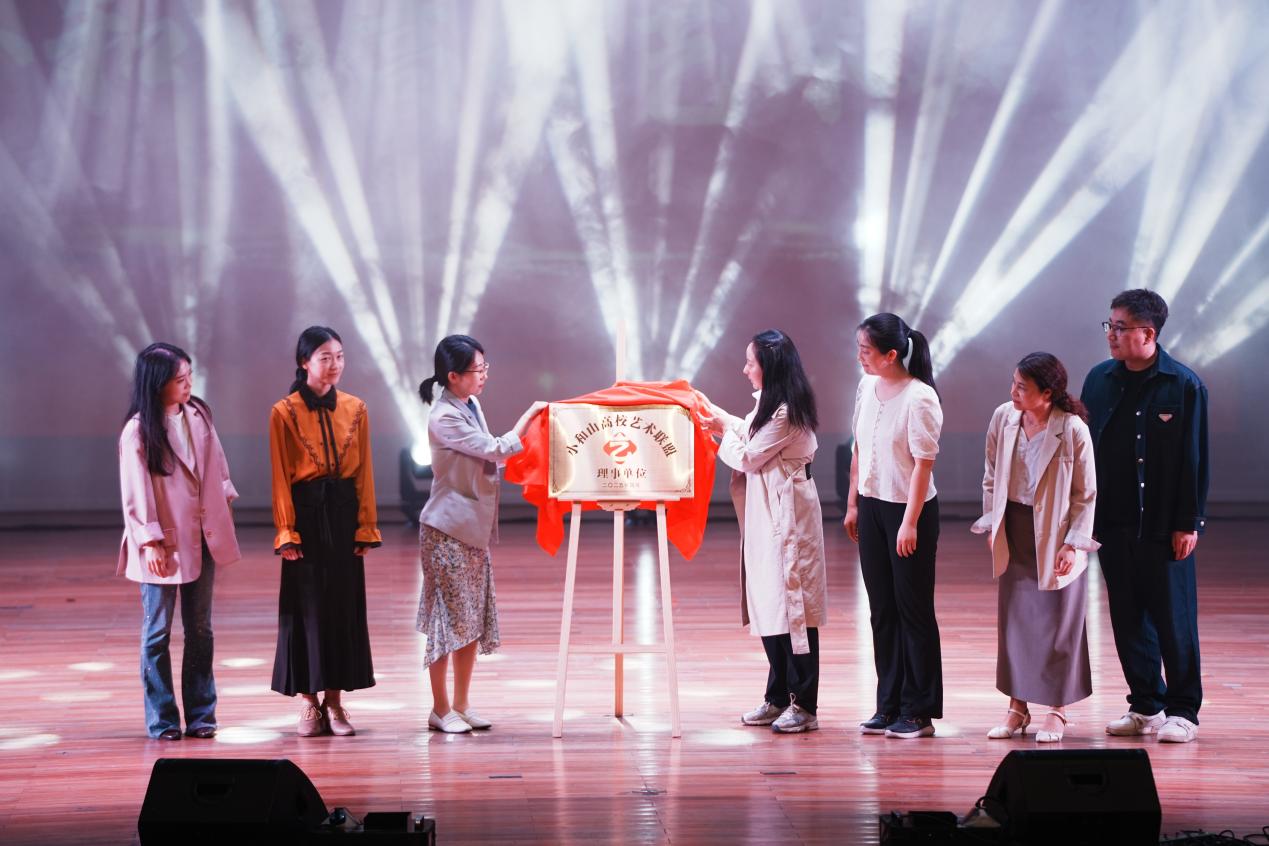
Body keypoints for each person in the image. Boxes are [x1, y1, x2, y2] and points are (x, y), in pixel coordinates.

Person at [1081, 289, 1209, 743]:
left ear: (1148, 334)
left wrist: (1188, 523)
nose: (1111, 335)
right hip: (1111, 522)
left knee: (1174, 618)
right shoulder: (1099, 380)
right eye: (1110, 326)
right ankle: (1146, 704)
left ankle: (1184, 710)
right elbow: (1085, 450)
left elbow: (1195, 460)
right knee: (1127, 615)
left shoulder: (1183, 384)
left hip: (1162, 523)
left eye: (1120, 328)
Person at [697, 329, 827, 734]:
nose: (745, 370)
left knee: (793, 608)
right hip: (767, 514)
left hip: (788, 518)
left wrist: (722, 430)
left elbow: (750, 456)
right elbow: (751, 434)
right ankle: (778, 696)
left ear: (769, 366)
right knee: (770, 602)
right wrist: (720, 419)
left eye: (750, 362)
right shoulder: (770, 406)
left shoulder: (788, 412)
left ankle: (804, 703)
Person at [416, 335, 545, 734]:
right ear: (453, 376)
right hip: (446, 530)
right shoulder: (444, 416)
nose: (484, 375)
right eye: (477, 369)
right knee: (446, 621)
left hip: (471, 531)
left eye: (485, 367)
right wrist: (529, 417)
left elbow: (492, 455)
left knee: (470, 618)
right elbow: (494, 449)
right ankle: (440, 709)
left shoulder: (470, 404)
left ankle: (461, 705)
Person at [972, 353, 1098, 743]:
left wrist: (1073, 545)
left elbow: (1085, 493)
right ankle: (1017, 707)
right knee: (1016, 622)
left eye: (1022, 387)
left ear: (1047, 393)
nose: (1013, 392)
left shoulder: (1072, 428)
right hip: (1014, 528)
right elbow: (991, 474)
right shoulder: (1003, 418)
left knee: (1060, 622)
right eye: (1013, 383)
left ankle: (1057, 710)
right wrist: (993, 522)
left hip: (1056, 534)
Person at [117, 342, 241, 741]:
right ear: (157, 384)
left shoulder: (198, 415)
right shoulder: (139, 430)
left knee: (200, 628)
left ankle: (202, 714)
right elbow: (135, 491)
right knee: (157, 632)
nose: (188, 384)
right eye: (179, 379)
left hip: (201, 535)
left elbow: (216, 463)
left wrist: (224, 499)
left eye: (189, 376)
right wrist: (150, 542)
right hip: (163, 543)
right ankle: (163, 719)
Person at [269, 326, 380, 737]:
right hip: (306, 517)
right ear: (305, 362)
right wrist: (287, 530)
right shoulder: (284, 412)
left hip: (344, 514)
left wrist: (365, 525)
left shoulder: (356, 408)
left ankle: (335, 701)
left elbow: (364, 472)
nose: (335, 365)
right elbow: (280, 477)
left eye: (339, 356)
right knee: (307, 607)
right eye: (325, 357)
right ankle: (307, 701)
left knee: (342, 607)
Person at [844, 313, 943, 739]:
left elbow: (923, 465)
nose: (860, 357)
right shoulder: (866, 387)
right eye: (859, 349)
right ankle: (888, 705)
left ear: (890, 355)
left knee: (913, 611)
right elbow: (859, 448)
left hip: (909, 511)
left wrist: (910, 523)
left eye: (866, 351)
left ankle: (918, 711)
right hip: (871, 506)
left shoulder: (920, 397)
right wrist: (853, 504)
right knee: (882, 610)